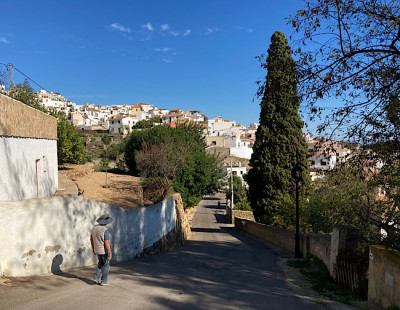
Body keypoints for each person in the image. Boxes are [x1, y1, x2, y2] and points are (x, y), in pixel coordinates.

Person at [90, 214, 113, 286]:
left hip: (97, 250)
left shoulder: (94, 228)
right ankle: (103, 281)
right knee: (107, 265)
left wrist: (93, 248)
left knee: (100, 263)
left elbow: (91, 239)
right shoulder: (105, 230)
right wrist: (110, 251)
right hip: (104, 251)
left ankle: (96, 278)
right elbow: (106, 242)